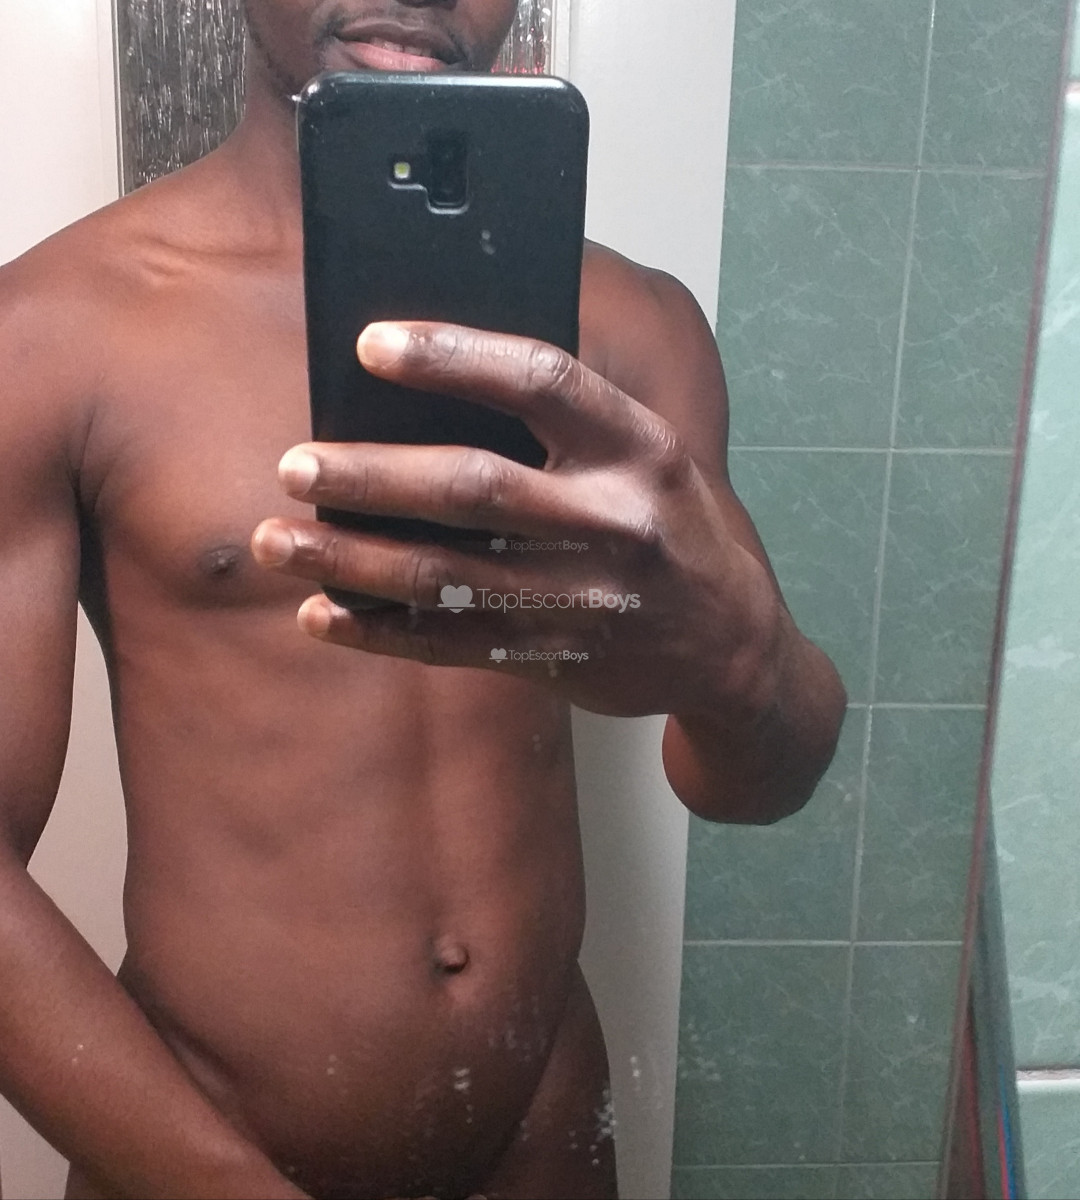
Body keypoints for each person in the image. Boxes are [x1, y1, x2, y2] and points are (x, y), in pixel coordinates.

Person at [0, 1, 847, 1197]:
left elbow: (755, 784)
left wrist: (749, 670)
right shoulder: (51, 334)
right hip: (204, 1155)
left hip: (543, 1143)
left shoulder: (634, 333)